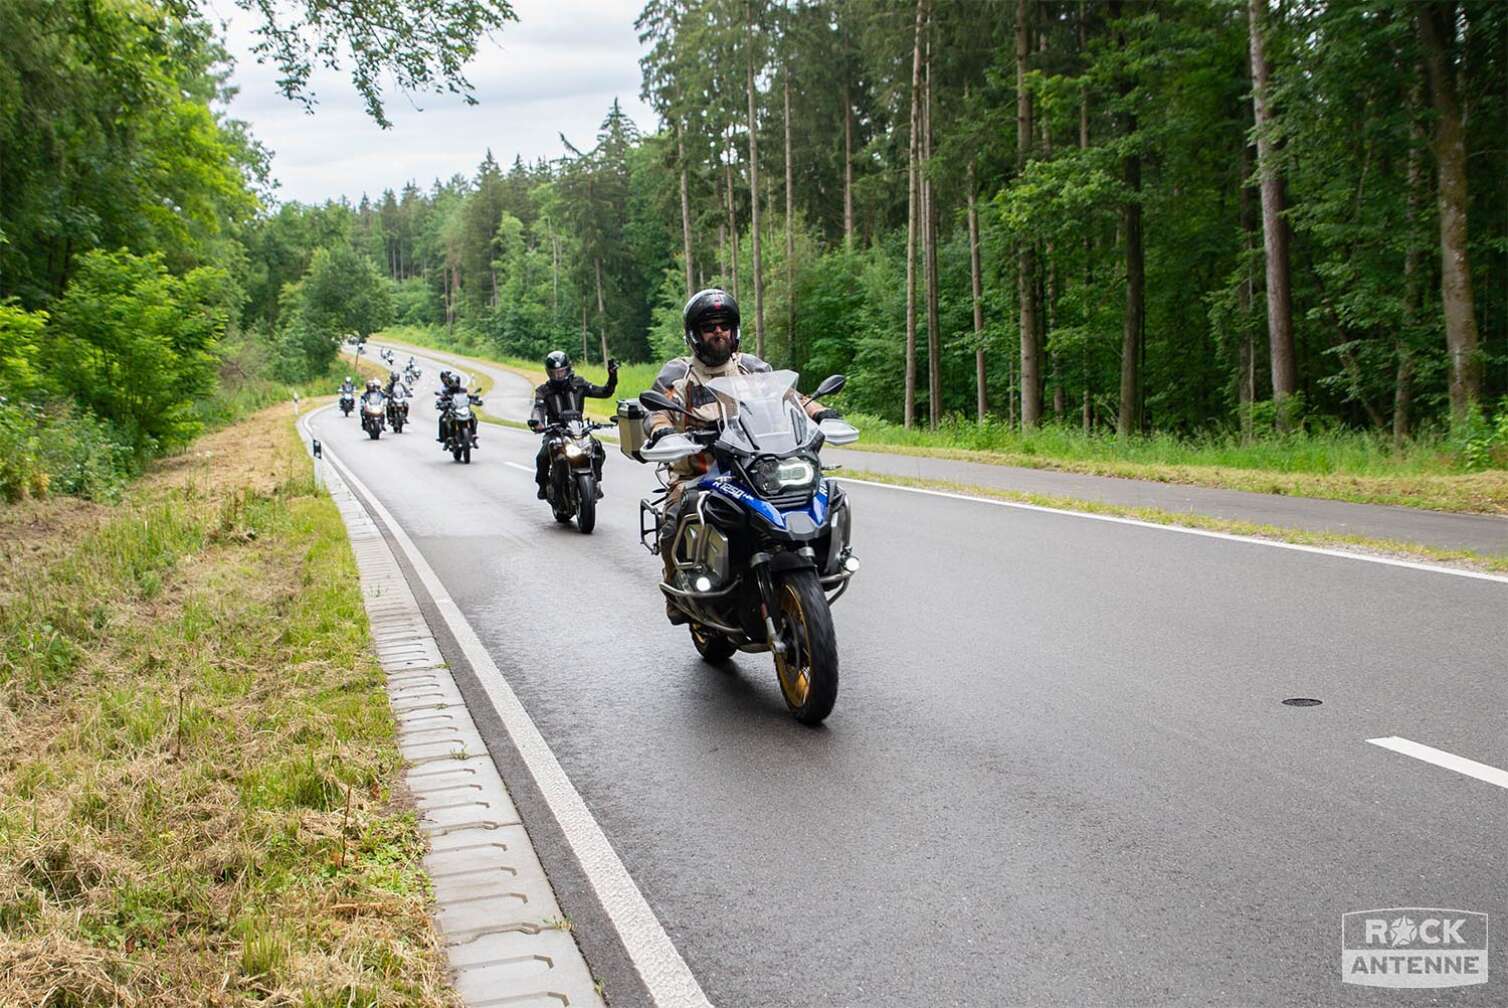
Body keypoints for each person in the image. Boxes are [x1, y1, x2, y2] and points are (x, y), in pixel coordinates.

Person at [643, 288, 841, 620]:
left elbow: (793, 397)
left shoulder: (752, 367)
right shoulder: (678, 374)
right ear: (695, 335)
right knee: (676, 512)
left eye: (724, 325)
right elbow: (654, 408)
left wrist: (821, 413)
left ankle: (820, 562)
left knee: (820, 491)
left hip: (755, 464)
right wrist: (661, 429)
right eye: (710, 327)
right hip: (701, 471)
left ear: (735, 331)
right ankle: (675, 587)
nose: (718, 332)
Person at [528, 350, 617, 500]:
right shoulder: (544, 391)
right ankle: (543, 486)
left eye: (561, 372)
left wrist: (612, 376)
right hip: (555, 431)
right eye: (554, 373)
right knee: (542, 456)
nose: (558, 376)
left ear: (567, 369)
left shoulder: (579, 384)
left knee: (597, 449)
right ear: (548, 373)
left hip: (577, 430)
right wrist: (538, 423)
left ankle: (595, 483)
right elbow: (538, 408)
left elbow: (604, 392)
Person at [434, 370, 480, 446]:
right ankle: (445, 438)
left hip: (463, 408)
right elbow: (442, 398)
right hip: (452, 409)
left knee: (473, 416)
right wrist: (440, 403)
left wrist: (475, 399)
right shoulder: (447, 391)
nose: (454, 384)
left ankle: (474, 435)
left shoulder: (463, 390)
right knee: (443, 419)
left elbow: (469, 396)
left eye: (456, 382)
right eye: (452, 382)